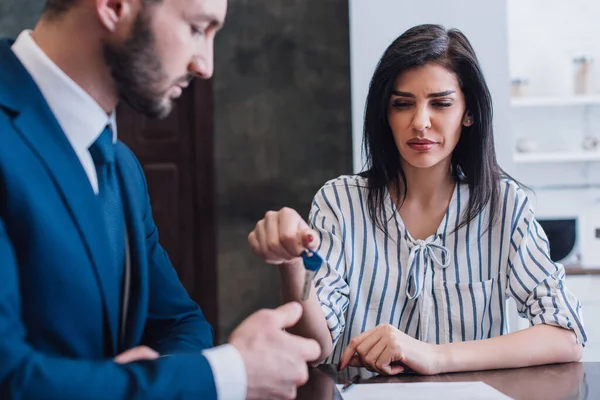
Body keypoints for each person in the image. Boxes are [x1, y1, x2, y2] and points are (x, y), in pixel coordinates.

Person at [0, 0, 320, 398]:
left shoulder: (121, 167)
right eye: (197, 29)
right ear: (114, 6)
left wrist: (152, 383)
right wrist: (222, 376)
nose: (206, 66)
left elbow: (181, 323)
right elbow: (10, 379)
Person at [249, 24, 586, 377]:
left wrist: (435, 356)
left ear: (468, 113)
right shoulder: (339, 202)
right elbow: (317, 347)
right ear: (385, 114)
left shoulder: (505, 205)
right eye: (402, 104)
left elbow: (567, 336)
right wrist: (292, 265)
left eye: (440, 103)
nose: (420, 122)